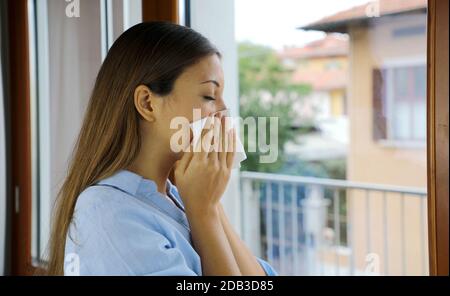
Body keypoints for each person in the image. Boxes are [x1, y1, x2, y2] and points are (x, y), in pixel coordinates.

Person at [46, 21, 277, 276]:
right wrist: (204, 212)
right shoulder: (108, 217)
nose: (223, 113)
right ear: (147, 103)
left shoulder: (174, 196)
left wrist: (209, 203)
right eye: (210, 96)